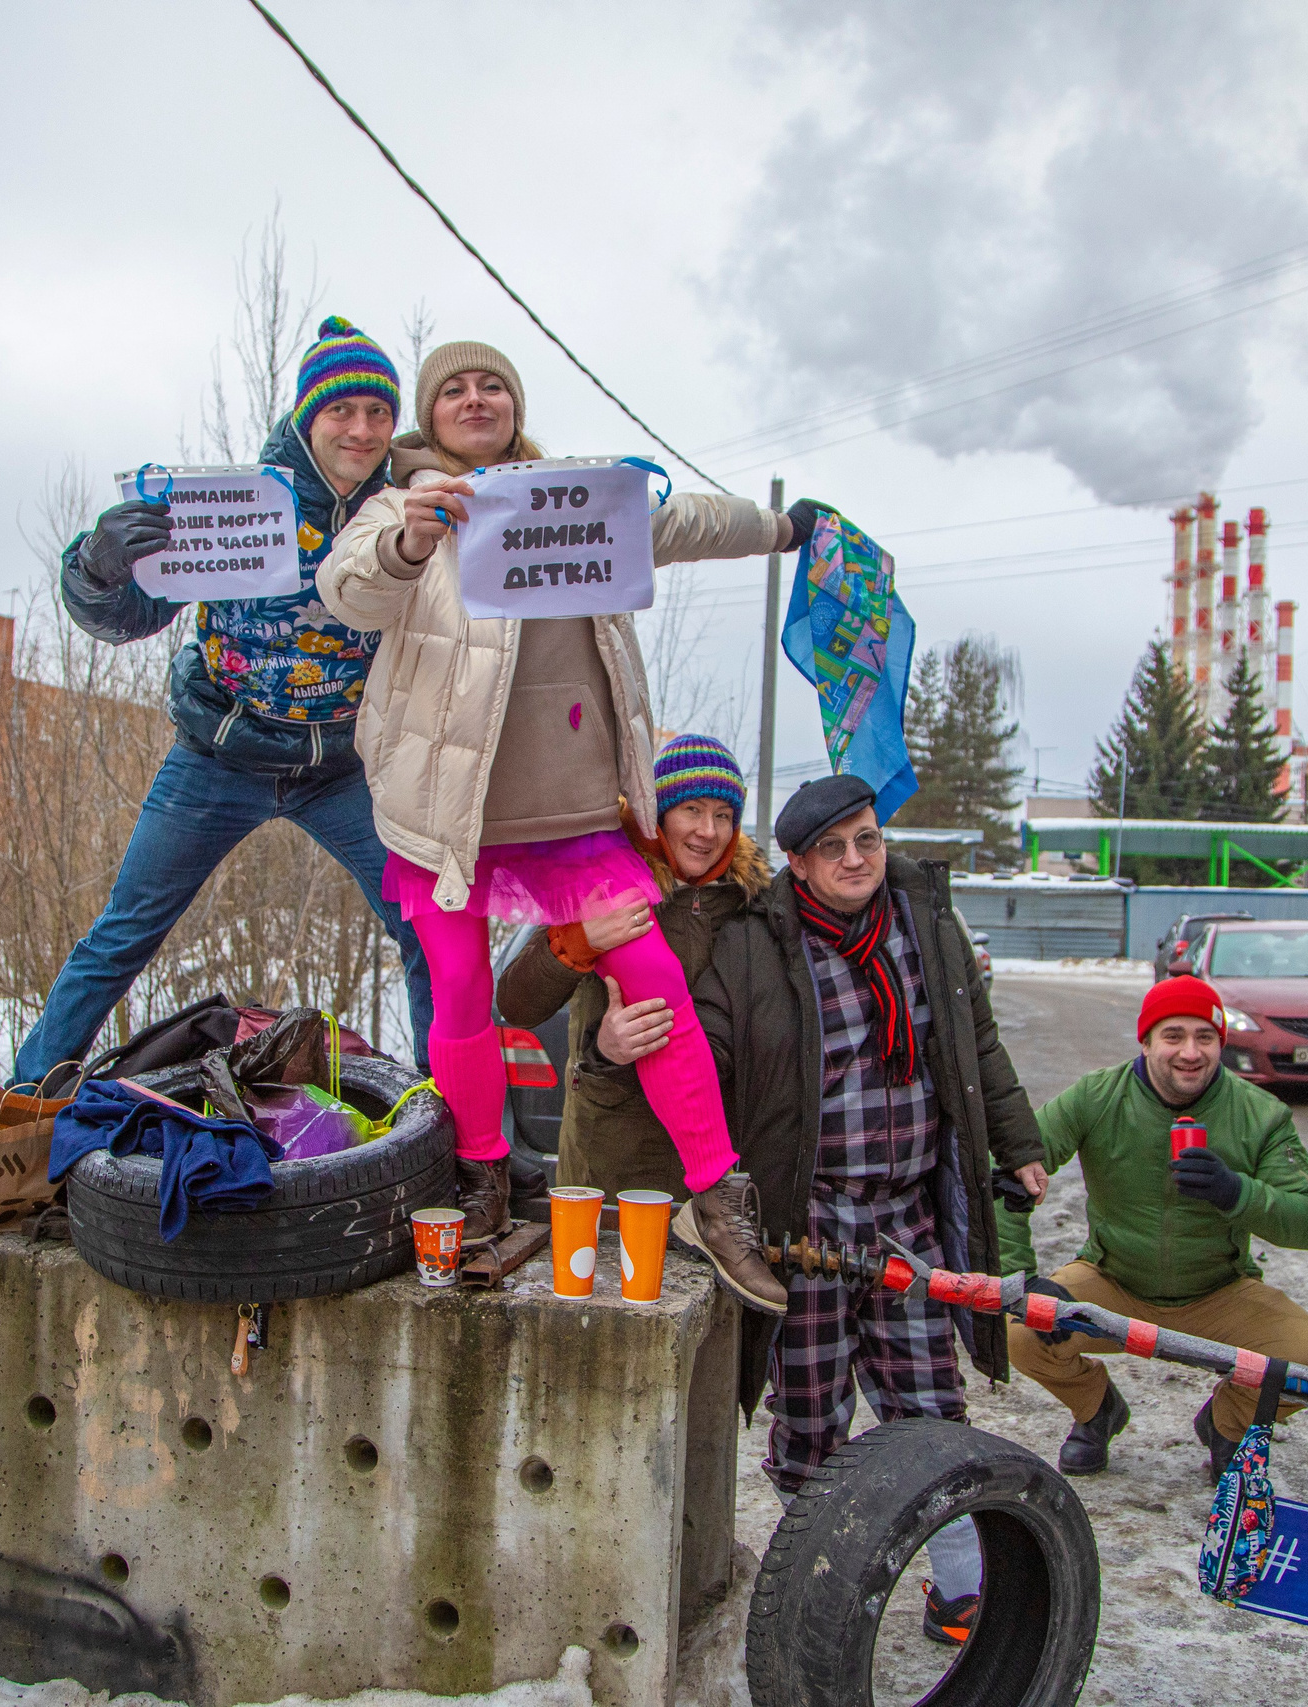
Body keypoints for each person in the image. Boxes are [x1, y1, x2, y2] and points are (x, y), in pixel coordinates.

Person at [318, 339, 821, 1302]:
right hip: (448, 813)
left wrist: (783, 528)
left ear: (515, 404)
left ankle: (716, 1198)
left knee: (654, 980)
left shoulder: (573, 497)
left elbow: (683, 523)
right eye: (456, 388)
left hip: (576, 805)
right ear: (431, 414)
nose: (477, 398)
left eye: (493, 384)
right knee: (460, 992)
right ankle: (481, 1186)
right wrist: (408, 539)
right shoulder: (402, 504)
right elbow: (348, 591)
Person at [11, 318, 433, 1089]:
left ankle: (450, 1109)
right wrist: (97, 569)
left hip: (341, 767)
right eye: (342, 411)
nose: (362, 429)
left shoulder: (401, 514)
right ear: (308, 418)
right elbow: (127, 619)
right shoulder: (242, 505)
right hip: (220, 755)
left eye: (378, 412)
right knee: (124, 931)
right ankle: (26, 1101)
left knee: (425, 928)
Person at [692, 774, 1047, 1646]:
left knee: (930, 1412)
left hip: (910, 1218)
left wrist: (1020, 1138)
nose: (857, 860)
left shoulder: (925, 923)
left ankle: (959, 1588)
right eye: (834, 848)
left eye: (868, 839)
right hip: (806, 1224)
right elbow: (701, 1061)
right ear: (799, 864)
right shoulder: (753, 943)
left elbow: (976, 1043)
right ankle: (812, 1594)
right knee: (810, 1421)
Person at [998, 974, 1308, 1482]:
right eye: (1173, 1036)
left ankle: (1228, 1422)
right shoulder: (1097, 1097)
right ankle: (1097, 1411)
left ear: (1221, 1043)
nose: (1190, 1052)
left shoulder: (1259, 1114)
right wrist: (1021, 1279)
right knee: (1017, 1331)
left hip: (1218, 1290)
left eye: (1205, 1037)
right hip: (1115, 1280)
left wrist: (1236, 1193)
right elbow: (1006, 1173)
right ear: (1146, 1041)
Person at [493, 734, 769, 1198]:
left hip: (725, 1160)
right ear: (658, 815)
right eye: (692, 810)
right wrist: (581, 941)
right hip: (613, 1158)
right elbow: (515, 1003)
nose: (708, 831)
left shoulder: (750, 904)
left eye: (723, 815)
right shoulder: (603, 890)